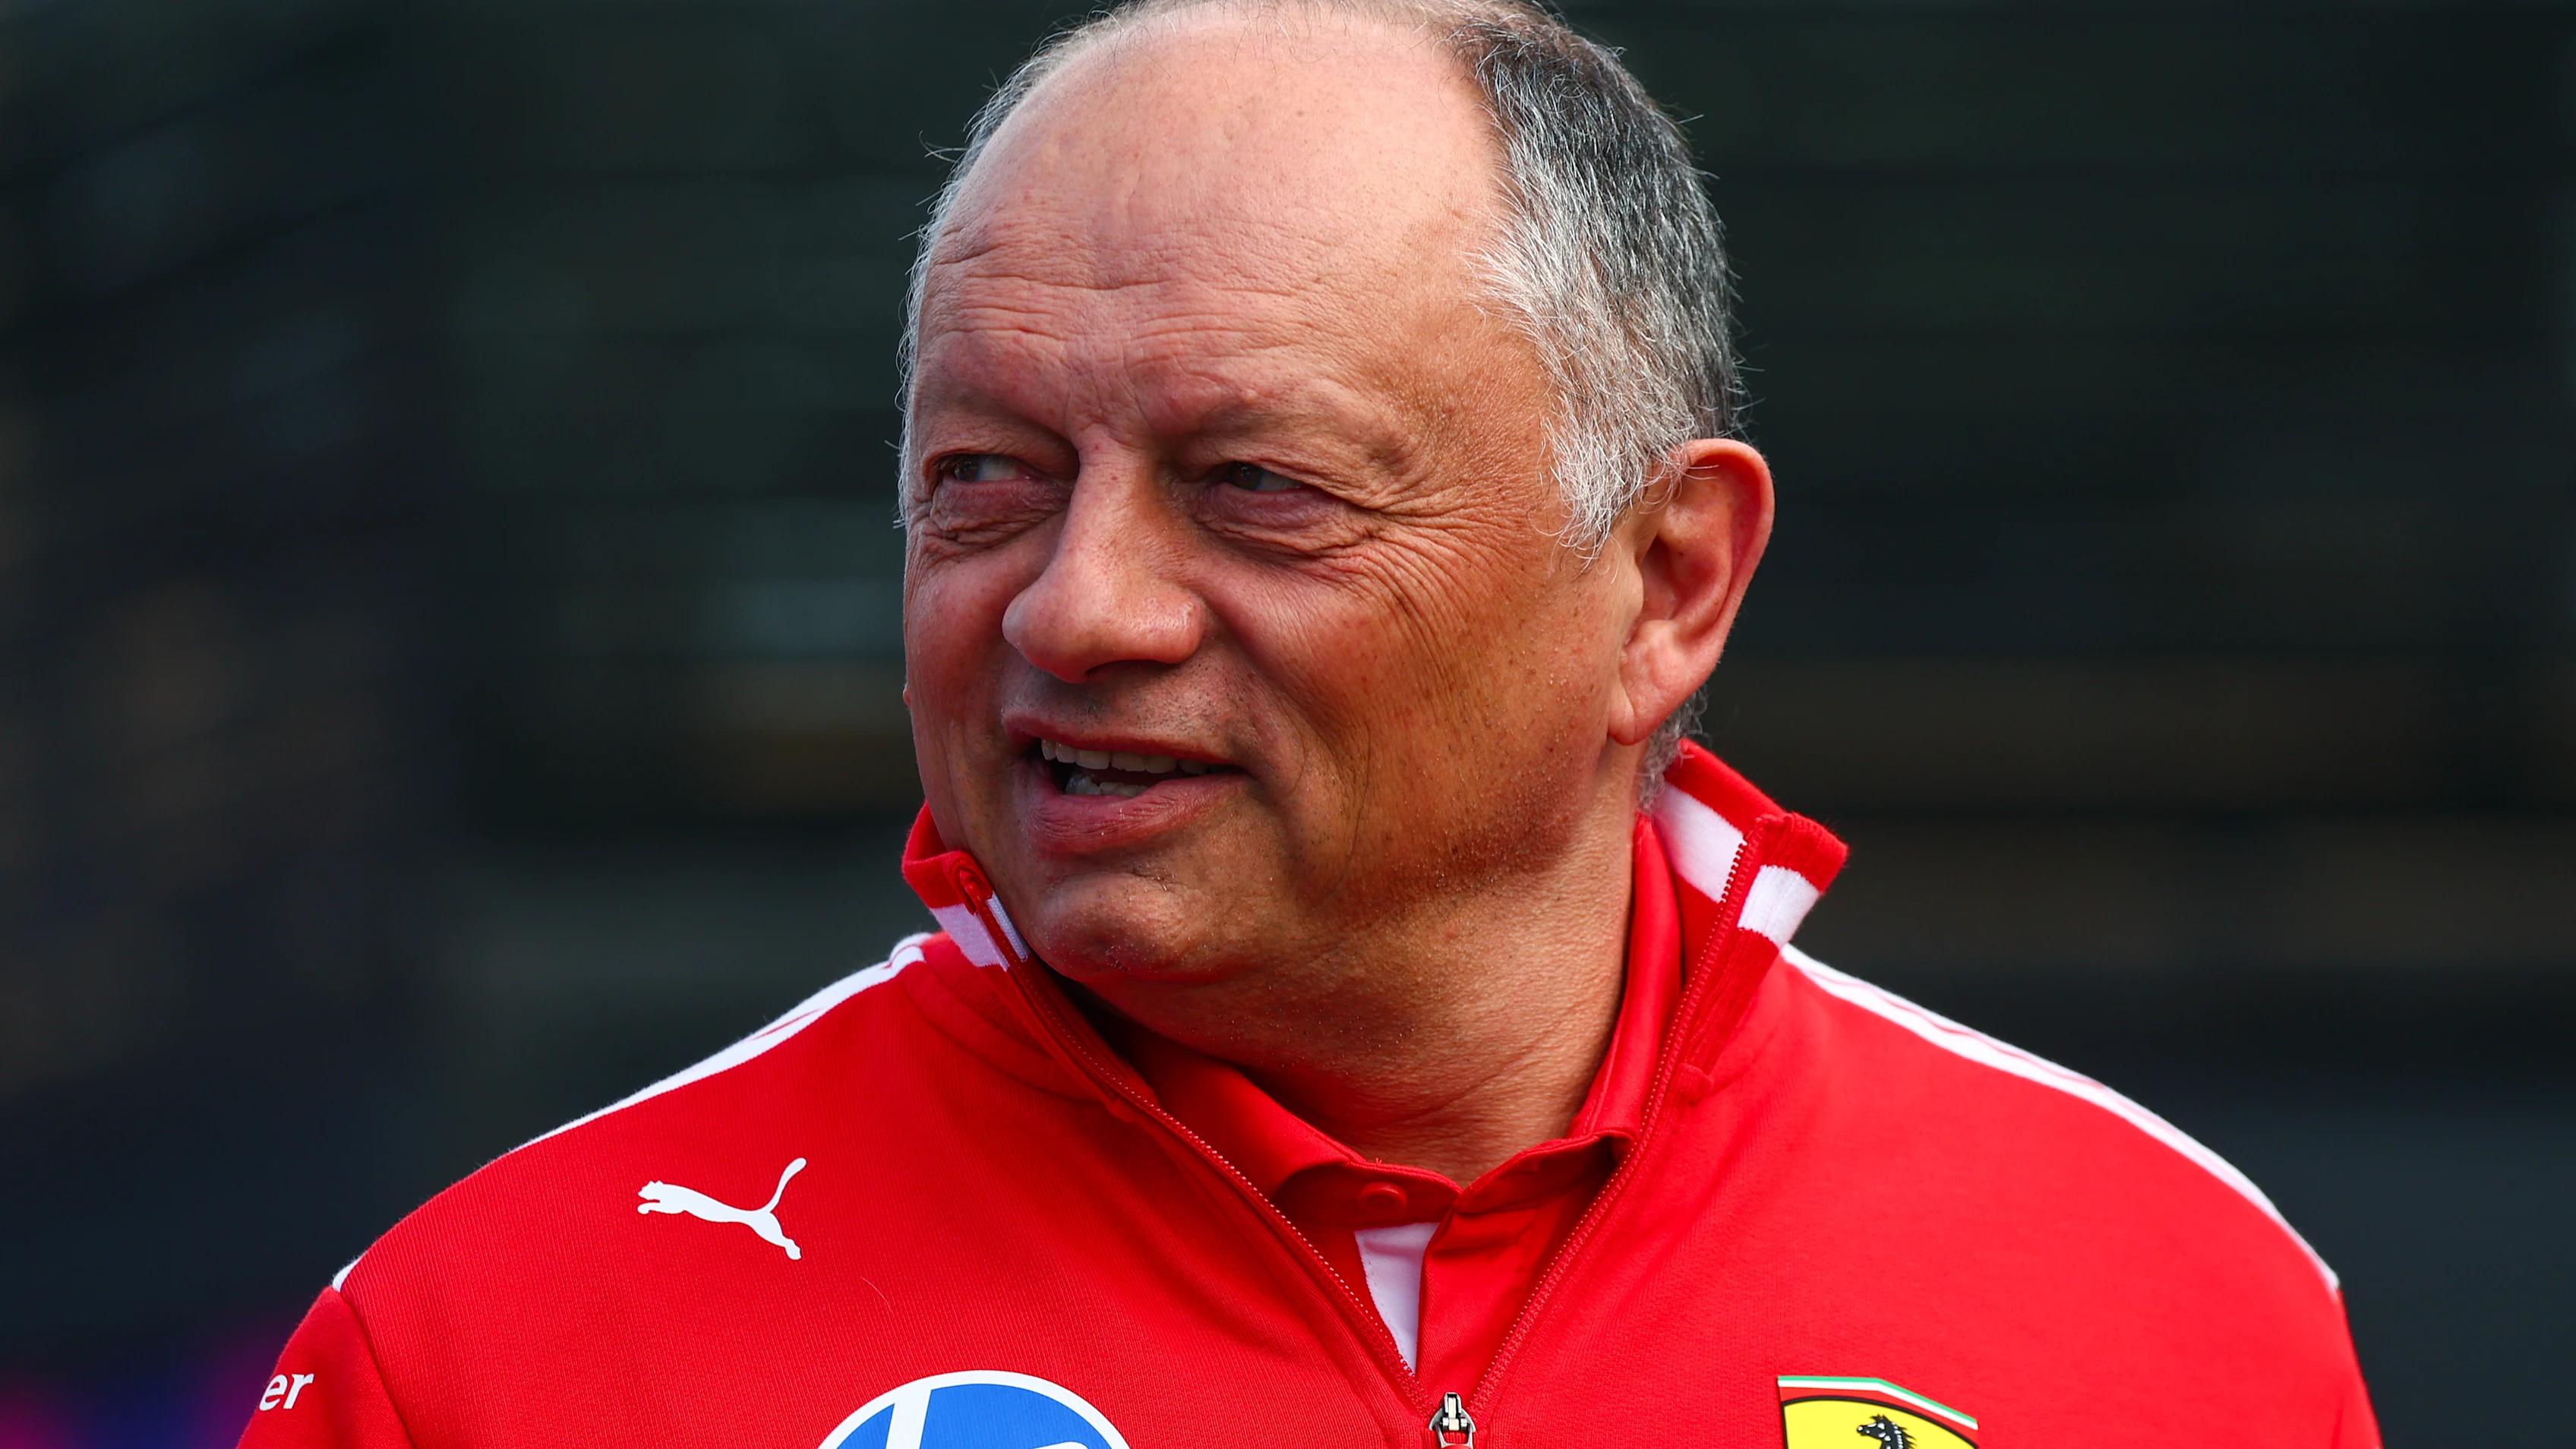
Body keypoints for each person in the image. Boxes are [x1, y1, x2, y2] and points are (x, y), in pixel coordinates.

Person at [239, 2, 2379, 1445]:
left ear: (1666, 585)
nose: (1076, 606)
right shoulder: (498, 1352)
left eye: (1258, 486)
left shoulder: (2173, 1306)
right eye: (983, 477)